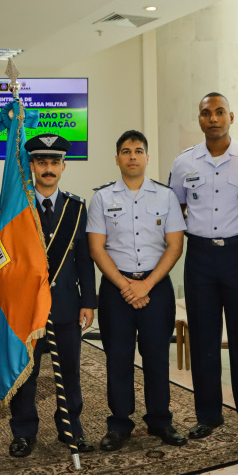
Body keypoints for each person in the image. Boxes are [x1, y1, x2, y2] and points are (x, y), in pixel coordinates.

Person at [168, 93, 238, 443]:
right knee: (204, 338)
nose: (213, 119)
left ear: (231, 117)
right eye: (206, 113)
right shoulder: (184, 163)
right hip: (199, 258)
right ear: (199, 119)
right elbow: (175, 210)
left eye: (220, 112)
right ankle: (208, 416)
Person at [86, 130, 187, 451]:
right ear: (117, 159)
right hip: (117, 290)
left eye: (138, 151)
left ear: (146, 157)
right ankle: (119, 424)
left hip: (155, 288)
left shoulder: (165, 196)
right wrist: (125, 285)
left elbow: (174, 245)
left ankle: (160, 421)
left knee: (156, 356)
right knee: (118, 357)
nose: (132, 156)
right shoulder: (102, 198)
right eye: (126, 151)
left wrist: (145, 284)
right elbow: (97, 249)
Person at [5, 133, 97, 458]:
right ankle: (24, 432)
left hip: (66, 307)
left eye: (54, 162)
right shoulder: (18, 209)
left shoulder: (76, 207)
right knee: (26, 371)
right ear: (31, 165)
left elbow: (84, 259)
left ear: (63, 166)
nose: (48, 168)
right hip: (27, 309)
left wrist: (89, 301)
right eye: (41, 162)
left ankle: (71, 427)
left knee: (70, 371)